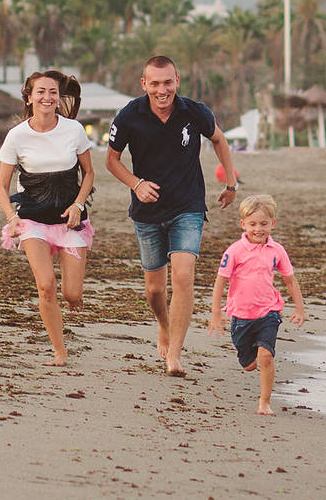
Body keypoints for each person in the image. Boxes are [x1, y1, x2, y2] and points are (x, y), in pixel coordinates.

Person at [104, 54, 239, 376]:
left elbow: (219, 139)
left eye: (168, 82)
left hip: (187, 207)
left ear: (177, 81)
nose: (162, 90)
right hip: (146, 212)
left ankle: (175, 355)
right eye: (155, 83)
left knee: (182, 276)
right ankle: (163, 324)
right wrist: (136, 184)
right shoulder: (128, 116)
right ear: (144, 84)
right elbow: (111, 160)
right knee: (154, 290)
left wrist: (231, 182)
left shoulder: (195, 112)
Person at [0, 70, 94, 367]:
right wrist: (11, 218)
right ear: (29, 97)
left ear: (58, 96)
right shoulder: (17, 136)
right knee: (46, 286)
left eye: (52, 92)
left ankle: (74, 297)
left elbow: (88, 173)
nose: (47, 97)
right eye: (40, 92)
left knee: (72, 293)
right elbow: (1, 186)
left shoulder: (74, 129)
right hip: (33, 219)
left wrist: (78, 204)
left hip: (69, 219)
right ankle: (60, 352)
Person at [208, 193, 307, 415]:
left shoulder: (277, 250)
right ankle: (249, 359)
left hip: (269, 312)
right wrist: (216, 314)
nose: (258, 229)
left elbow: (289, 280)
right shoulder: (234, 251)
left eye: (264, 223)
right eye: (252, 224)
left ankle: (264, 401)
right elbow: (220, 281)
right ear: (243, 224)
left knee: (266, 355)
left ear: (273, 223)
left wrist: (299, 308)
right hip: (241, 317)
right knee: (248, 364)